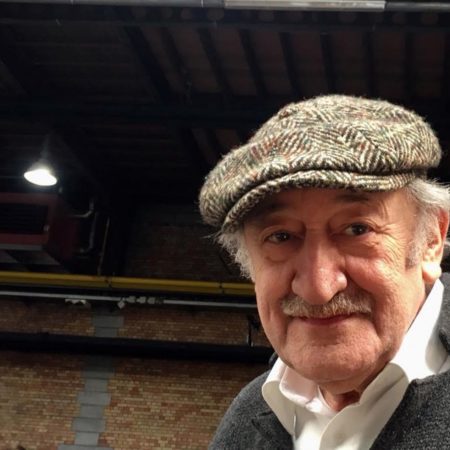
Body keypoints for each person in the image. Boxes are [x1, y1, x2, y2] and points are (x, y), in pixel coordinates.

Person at [199, 95, 450, 449]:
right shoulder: (245, 418)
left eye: (357, 229)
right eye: (280, 236)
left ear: (431, 240)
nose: (319, 288)